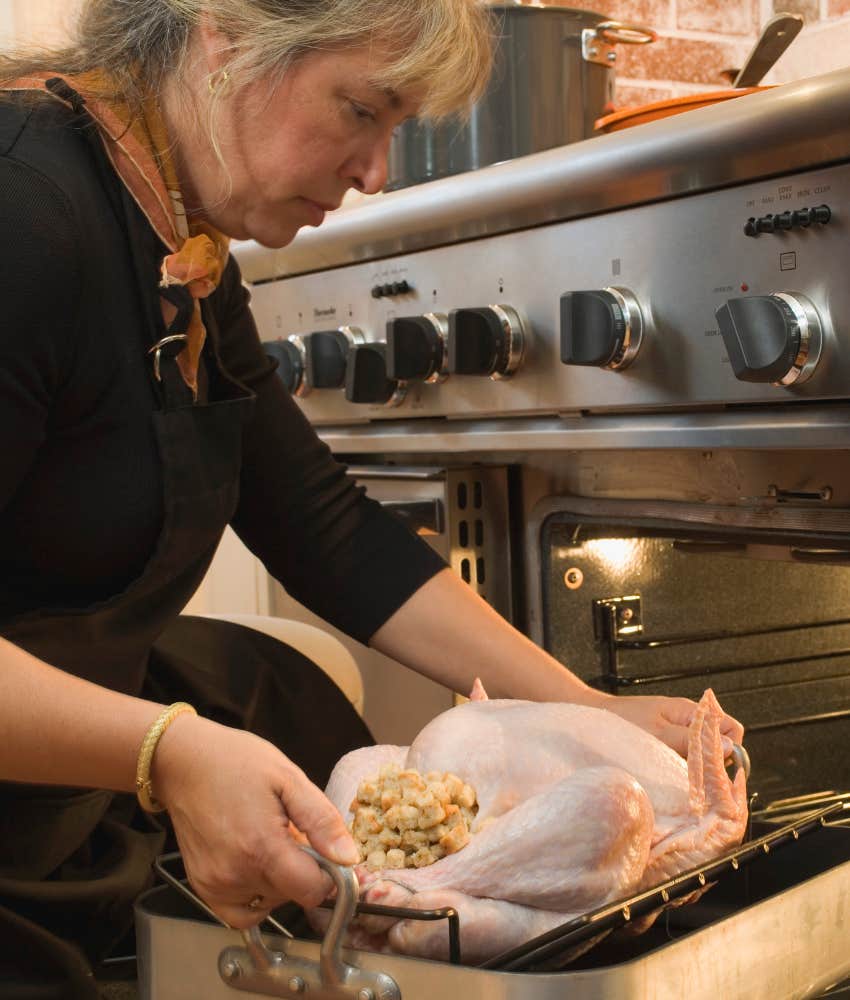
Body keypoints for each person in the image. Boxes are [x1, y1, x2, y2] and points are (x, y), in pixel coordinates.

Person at [0, 1, 745, 995]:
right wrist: (165, 752)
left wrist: (583, 703)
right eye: (362, 111)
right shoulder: (25, 215)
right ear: (223, 40)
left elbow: (328, 527)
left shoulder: (181, 246)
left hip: (60, 789)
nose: (375, 173)